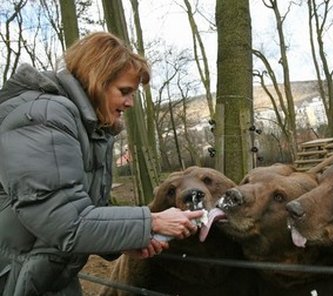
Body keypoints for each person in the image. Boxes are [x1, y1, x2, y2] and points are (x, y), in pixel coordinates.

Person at [0, 31, 203, 296]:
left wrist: (127, 240)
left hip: (46, 278)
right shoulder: (44, 117)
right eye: (124, 91)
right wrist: (151, 222)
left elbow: (84, 210)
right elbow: (66, 221)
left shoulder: (89, 128)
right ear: (97, 80)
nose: (130, 103)